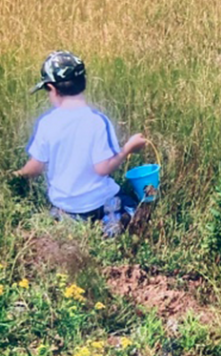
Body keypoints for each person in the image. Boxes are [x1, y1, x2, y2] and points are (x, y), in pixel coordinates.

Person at [14, 50, 148, 234]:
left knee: (65, 219)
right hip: (99, 202)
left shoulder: (46, 123)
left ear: (52, 89)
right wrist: (128, 149)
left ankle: (68, 223)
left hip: (66, 206)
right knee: (135, 206)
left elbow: (35, 167)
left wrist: (15, 175)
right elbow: (103, 168)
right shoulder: (97, 120)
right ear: (83, 83)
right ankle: (111, 225)